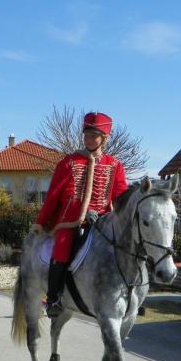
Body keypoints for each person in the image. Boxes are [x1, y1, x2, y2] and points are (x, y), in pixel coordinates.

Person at [33, 112, 128, 317]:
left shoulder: (114, 165)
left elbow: (121, 198)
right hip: (71, 222)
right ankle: (54, 298)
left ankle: (129, 296)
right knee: (61, 249)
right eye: (86, 135)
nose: (89, 139)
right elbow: (53, 196)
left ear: (104, 138)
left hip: (104, 221)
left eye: (94, 135)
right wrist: (42, 222)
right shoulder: (68, 163)